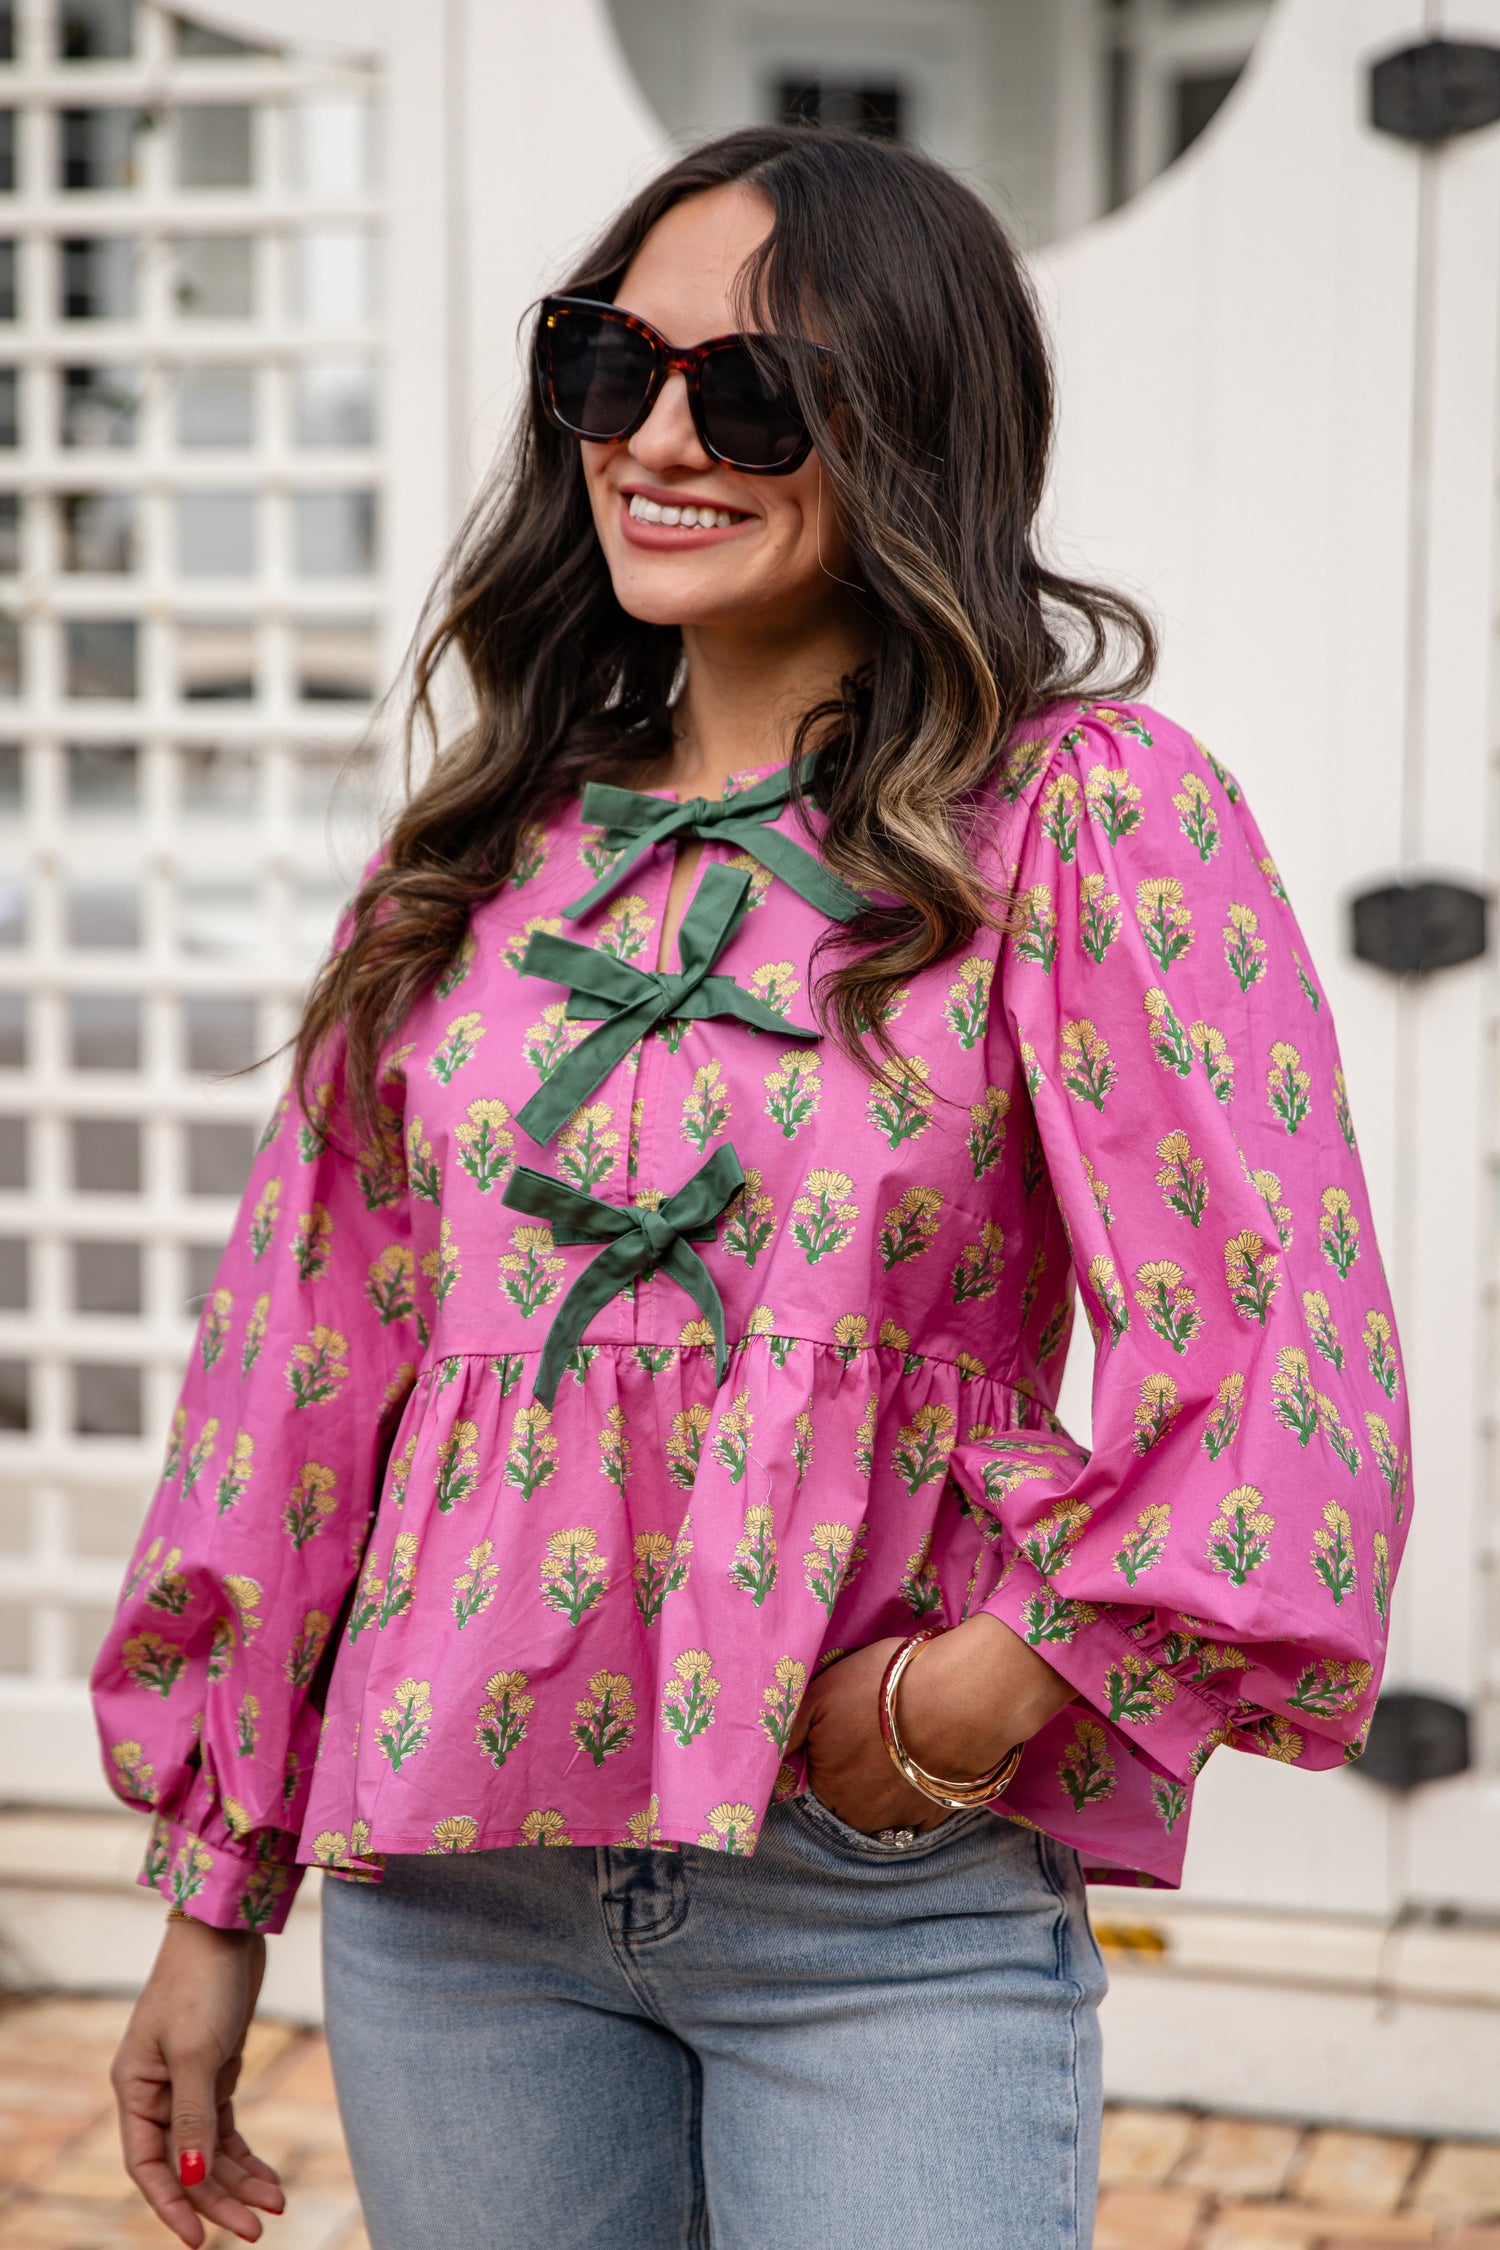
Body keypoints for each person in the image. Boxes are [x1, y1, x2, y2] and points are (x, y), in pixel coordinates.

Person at [93, 126, 1409, 2250]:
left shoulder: (1082, 821)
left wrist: (969, 1702)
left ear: (913, 428)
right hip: (456, 1899)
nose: (662, 437)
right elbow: (297, 1376)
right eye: (615, 369)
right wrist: (215, 1894)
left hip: (874, 1905)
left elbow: (1286, 1361)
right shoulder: (478, 858)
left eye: (754, 389)